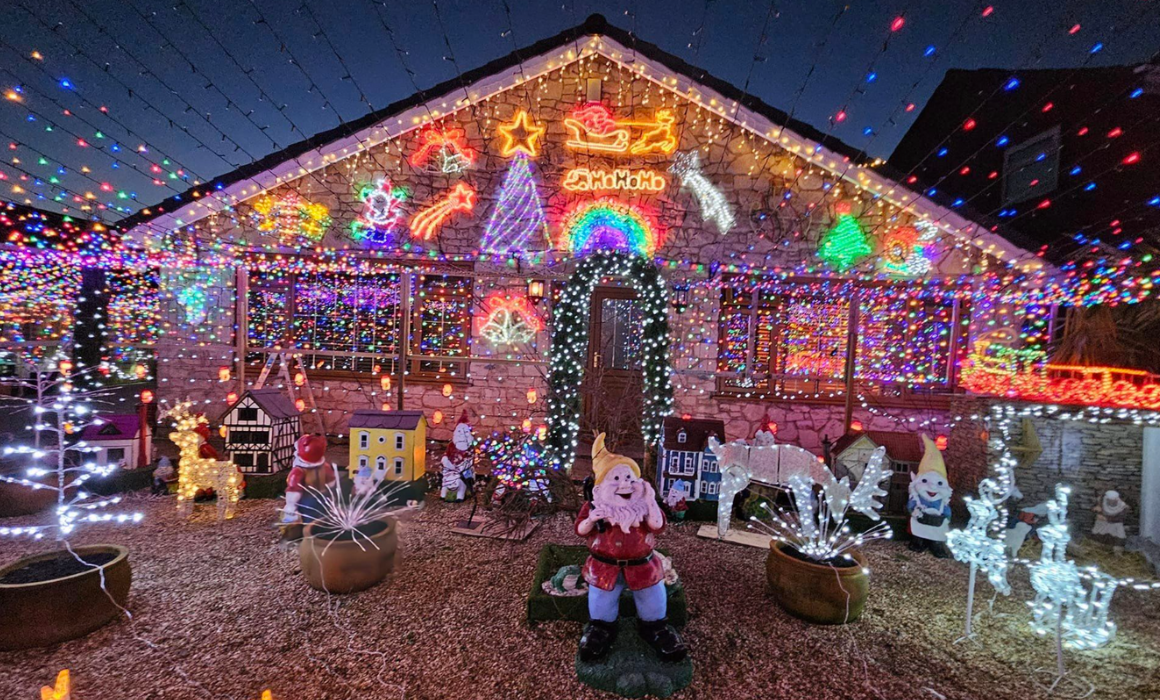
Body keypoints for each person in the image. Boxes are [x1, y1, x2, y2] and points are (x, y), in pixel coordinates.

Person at [576, 434, 687, 663]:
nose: (625, 484)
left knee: (653, 600)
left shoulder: (643, 507)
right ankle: (601, 630)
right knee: (601, 601)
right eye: (615, 478)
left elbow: (657, 525)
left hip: (642, 566)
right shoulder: (595, 507)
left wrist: (649, 500)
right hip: (604, 566)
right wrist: (590, 519)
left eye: (629, 477)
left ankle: (656, 629)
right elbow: (580, 530)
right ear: (600, 487)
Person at [283, 434, 333, 523]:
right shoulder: (325, 467)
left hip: (307, 501)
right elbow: (332, 482)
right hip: (324, 498)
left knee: (309, 521)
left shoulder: (298, 471)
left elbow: (293, 491)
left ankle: (308, 533)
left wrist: (290, 505)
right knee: (323, 519)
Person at [1090, 490, 1129, 554]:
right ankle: (1098, 549)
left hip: (1116, 523)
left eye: (1113, 500)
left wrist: (1106, 519)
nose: (1111, 501)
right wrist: (1095, 509)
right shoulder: (1102, 501)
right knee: (1098, 532)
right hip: (1103, 523)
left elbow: (1120, 518)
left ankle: (1117, 551)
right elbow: (1093, 509)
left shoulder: (1122, 506)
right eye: (1110, 500)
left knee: (1119, 535)